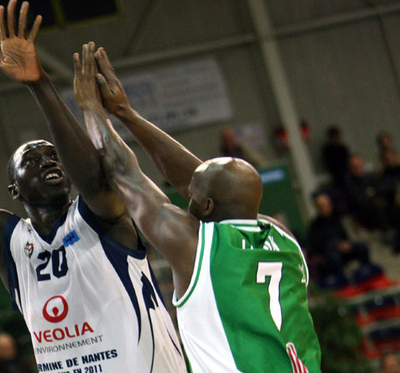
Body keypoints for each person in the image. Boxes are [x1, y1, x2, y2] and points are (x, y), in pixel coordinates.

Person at [0, 1, 186, 372]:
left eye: (53, 157)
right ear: (14, 190)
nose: (48, 162)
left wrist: (39, 82)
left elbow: (93, 175)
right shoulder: (7, 243)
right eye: (32, 161)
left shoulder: (102, 216)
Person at [73, 44, 321, 372]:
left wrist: (91, 108)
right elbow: (208, 184)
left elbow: (121, 171)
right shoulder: (281, 236)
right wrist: (126, 115)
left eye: (193, 194)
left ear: (205, 205)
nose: (185, 192)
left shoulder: (194, 247)